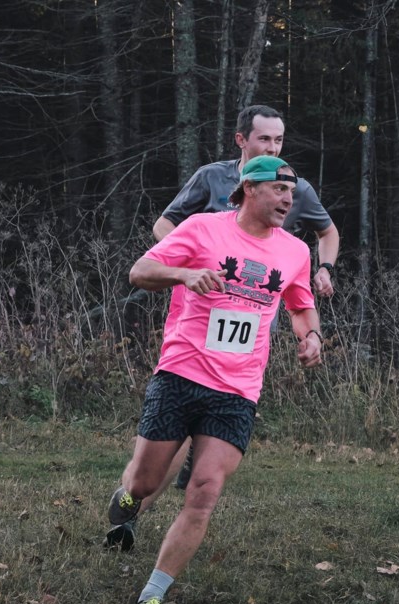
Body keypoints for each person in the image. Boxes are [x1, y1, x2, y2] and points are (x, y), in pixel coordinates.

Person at [105, 105, 338, 551]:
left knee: (206, 477)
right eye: (265, 139)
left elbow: (326, 236)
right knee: (157, 461)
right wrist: (191, 260)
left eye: (278, 140)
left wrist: (321, 287)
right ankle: (135, 501)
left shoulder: (294, 187)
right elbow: (164, 228)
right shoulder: (212, 180)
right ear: (242, 142)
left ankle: (151, 531)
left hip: (242, 359)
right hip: (192, 325)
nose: (272, 147)